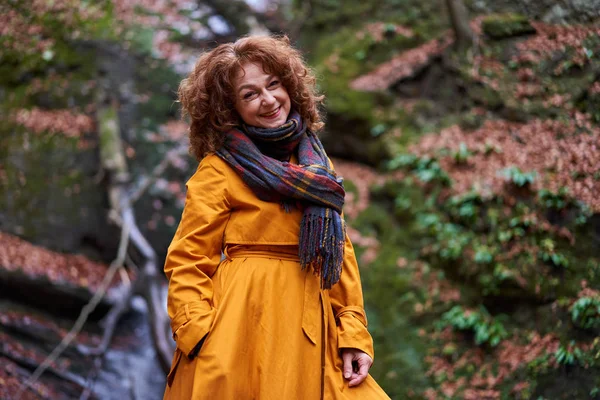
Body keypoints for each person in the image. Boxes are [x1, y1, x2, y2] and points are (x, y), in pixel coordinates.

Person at [163, 35, 390, 400]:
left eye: (273, 85)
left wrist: (353, 334)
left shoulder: (317, 165)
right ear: (230, 108)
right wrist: (200, 333)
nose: (268, 100)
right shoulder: (217, 169)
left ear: (290, 85)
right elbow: (188, 260)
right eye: (249, 94)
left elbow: (338, 253)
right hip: (240, 329)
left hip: (312, 326)